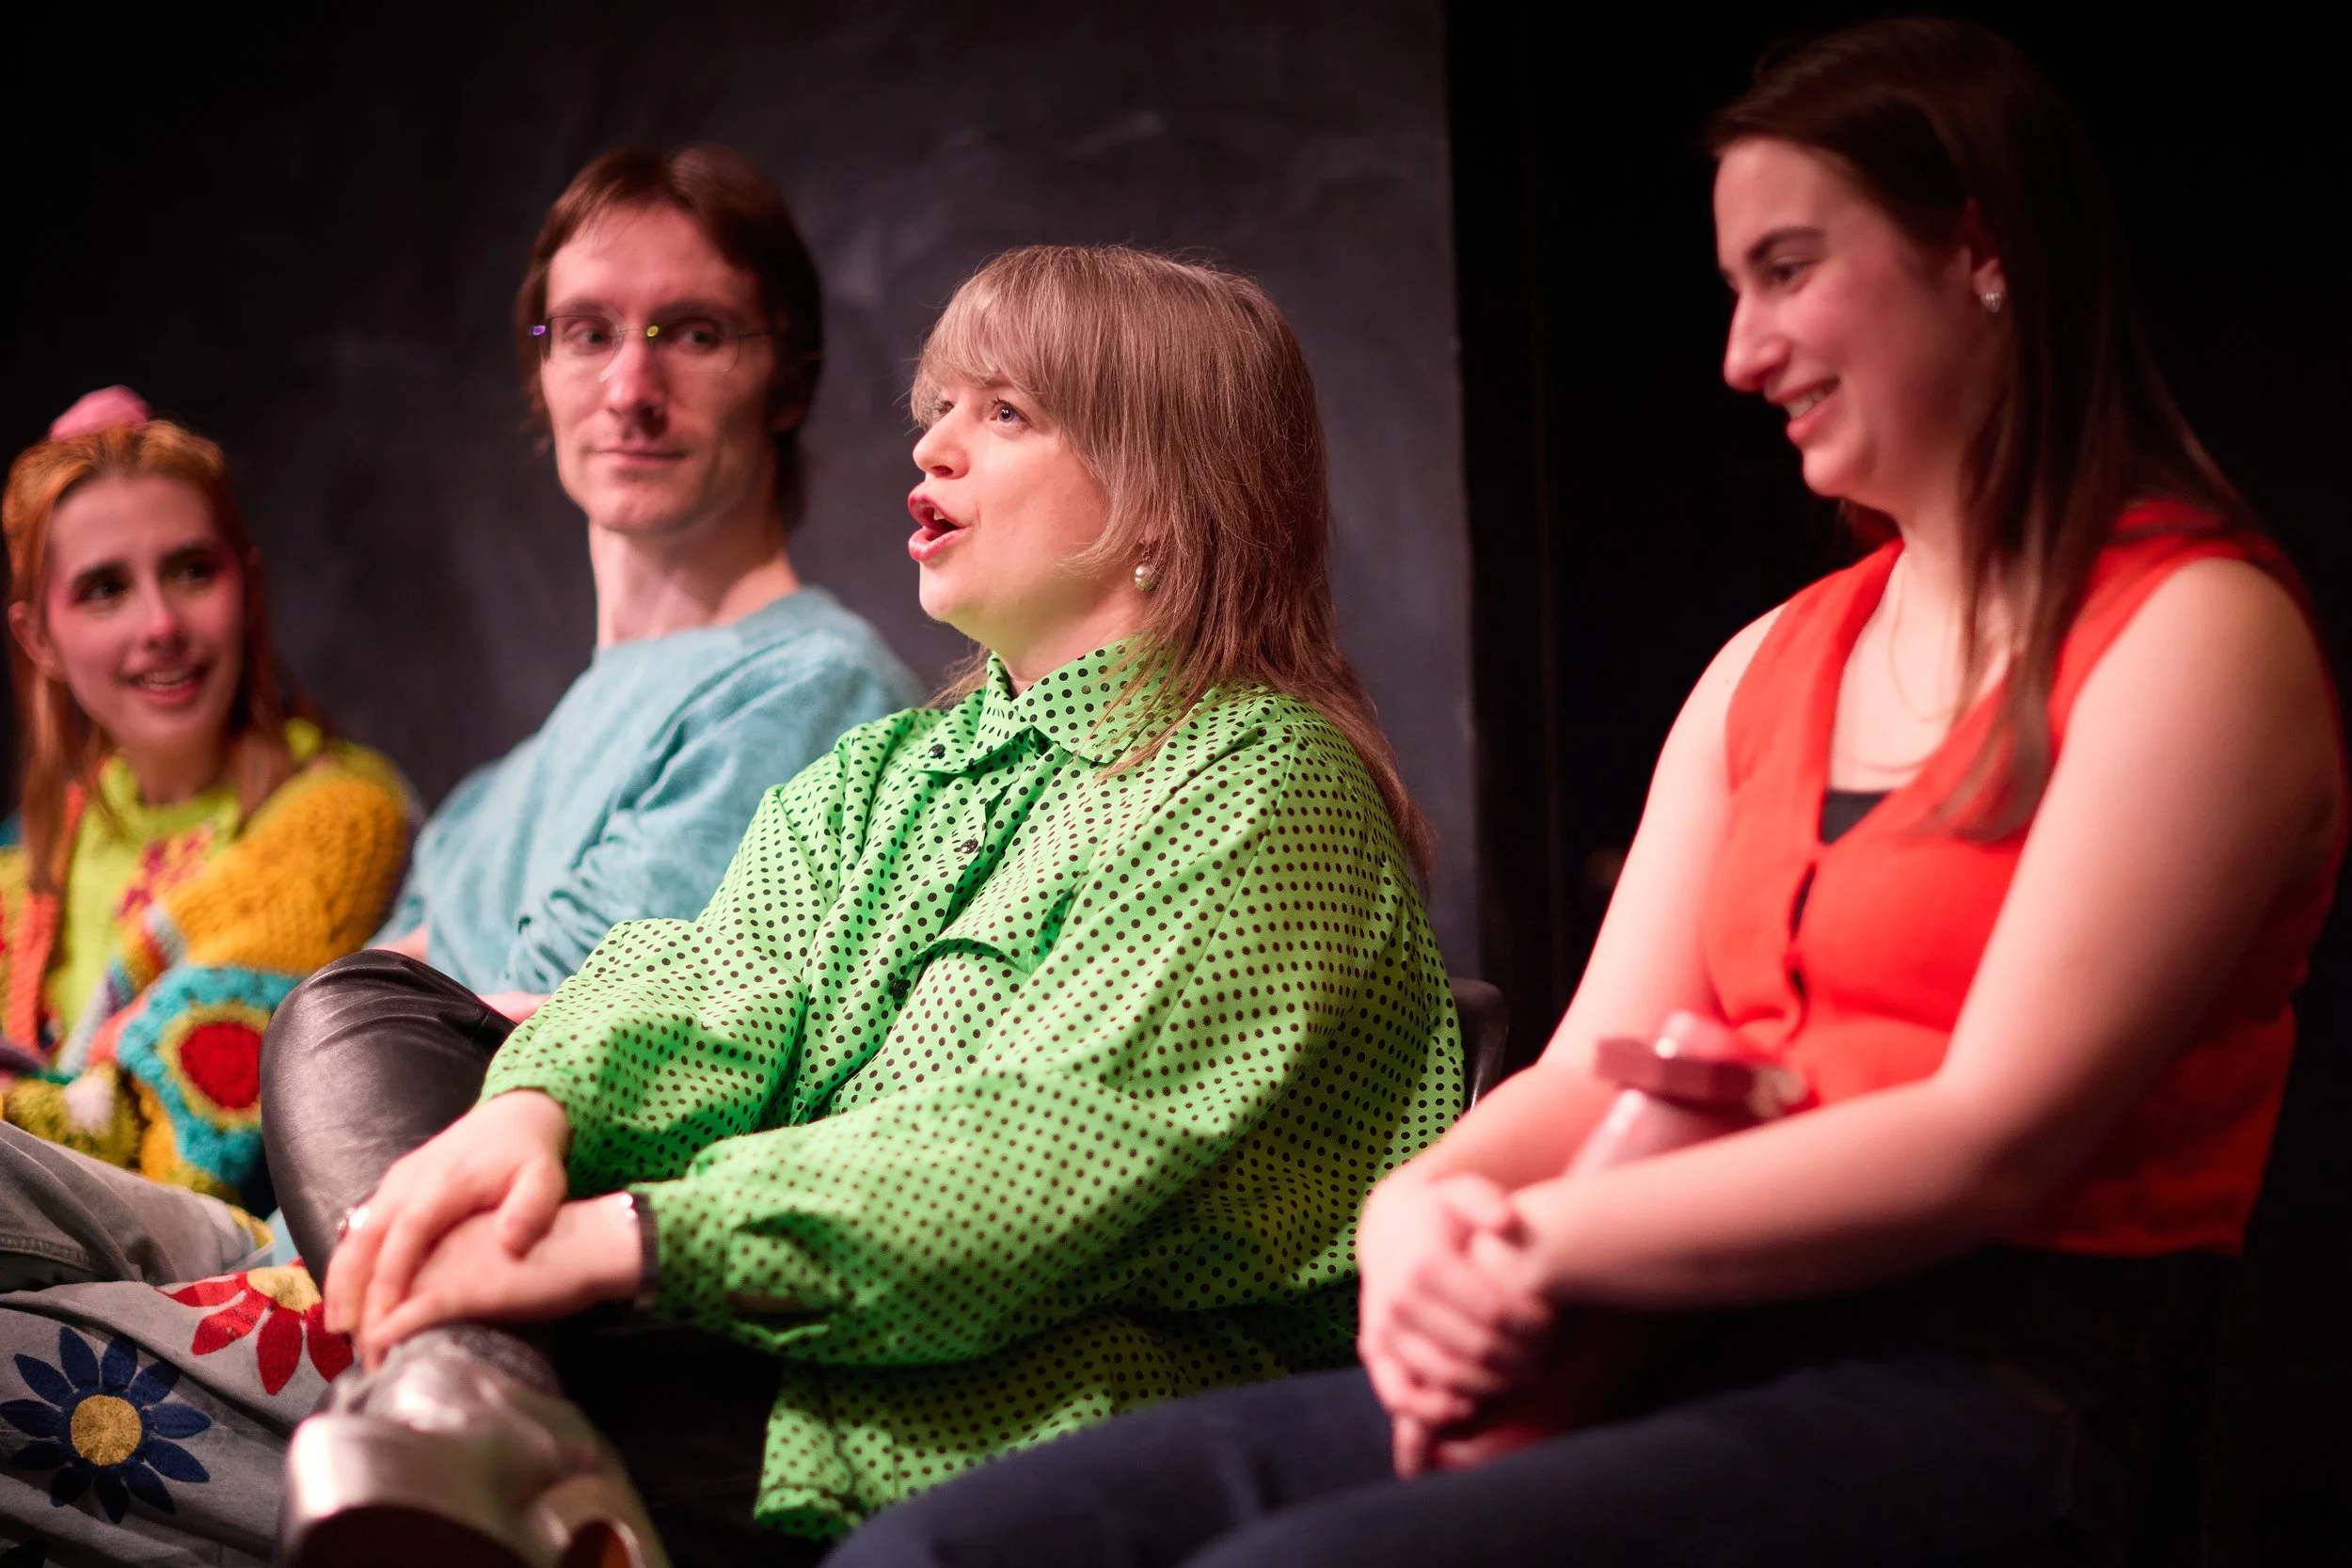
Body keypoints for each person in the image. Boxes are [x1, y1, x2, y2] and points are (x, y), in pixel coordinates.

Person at [827, 20, 2345, 1568]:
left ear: (1982, 250)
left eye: (1790, 269)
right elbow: (1572, 1078)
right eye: (1735, 289)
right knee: (932, 1554)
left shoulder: (2197, 634)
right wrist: (1421, 1215)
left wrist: (1536, 1244)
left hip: (1999, 1388)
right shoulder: (1773, 660)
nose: (1744, 355)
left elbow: (1990, 1140)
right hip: (1651, 1335)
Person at [263, 245, 1462, 1568]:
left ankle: (467, 1413)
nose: (938, 443)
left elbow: (1034, 1156)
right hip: (757, 1340)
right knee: (361, 1004)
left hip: (978, 1418)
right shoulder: (888, 770)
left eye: (1005, 412)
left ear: (1166, 495)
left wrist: (624, 1235)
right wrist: (537, 1108)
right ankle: (470, 1394)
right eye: (938, 406)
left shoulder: (1263, 782)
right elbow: (709, 985)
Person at [366, 142, 920, 1013]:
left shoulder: (812, 692)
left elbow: (530, 1035)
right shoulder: (487, 801)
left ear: (789, 383)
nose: (631, 387)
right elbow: (343, 1037)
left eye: (695, 333)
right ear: (540, 376)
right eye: (588, 333)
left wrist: (417, 967)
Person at [0, 393, 410, 1211]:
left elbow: (176, 1140)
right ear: (39, 637)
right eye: (104, 589)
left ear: (247, 586)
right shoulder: (26, 870)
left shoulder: (342, 817)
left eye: (193, 570)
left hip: (223, 1258)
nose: (160, 624)